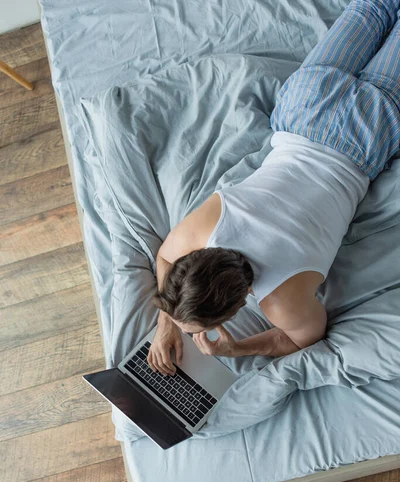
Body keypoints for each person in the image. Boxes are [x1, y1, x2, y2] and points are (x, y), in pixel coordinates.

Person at [148, 0, 400, 376]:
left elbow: (300, 340)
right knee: (372, 8)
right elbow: (167, 259)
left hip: (363, 132)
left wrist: (236, 348)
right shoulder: (206, 227)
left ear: (235, 309)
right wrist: (168, 321)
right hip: (306, 107)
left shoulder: (282, 302)